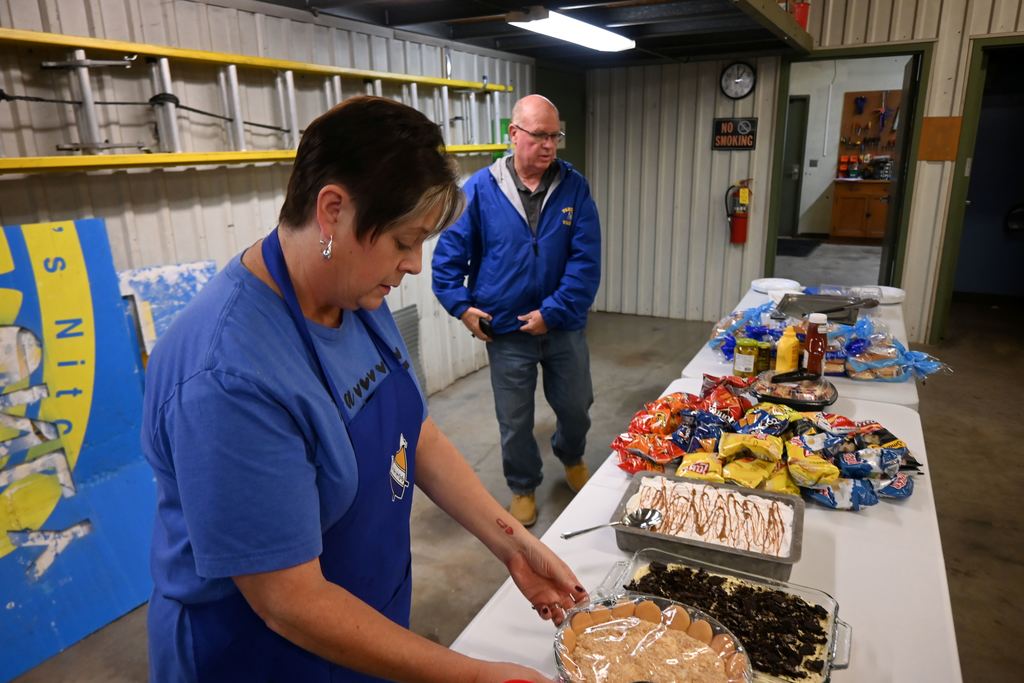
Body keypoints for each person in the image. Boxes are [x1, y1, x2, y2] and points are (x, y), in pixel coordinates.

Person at [142, 96, 588, 683]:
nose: (415, 266)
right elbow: (288, 601)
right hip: (263, 654)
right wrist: (472, 675)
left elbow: (414, 433)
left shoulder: (352, 294)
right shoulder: (228, 377)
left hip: (365, 623)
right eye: (404, 241)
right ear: (332, 210)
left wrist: (511, 544)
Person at [431, 95, 602, 528]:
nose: (548, 145)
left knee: (576, 404)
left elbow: (586, 261)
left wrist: (554, 311)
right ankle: (523, 486)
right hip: (505, 331)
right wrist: (463, 309)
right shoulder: (477, 191)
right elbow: (447, 261)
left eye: (555, 136)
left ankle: (572, 455)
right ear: (513, 134)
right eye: (539, 135)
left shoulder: (573, 188)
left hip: (561, 326)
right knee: (515, 419)